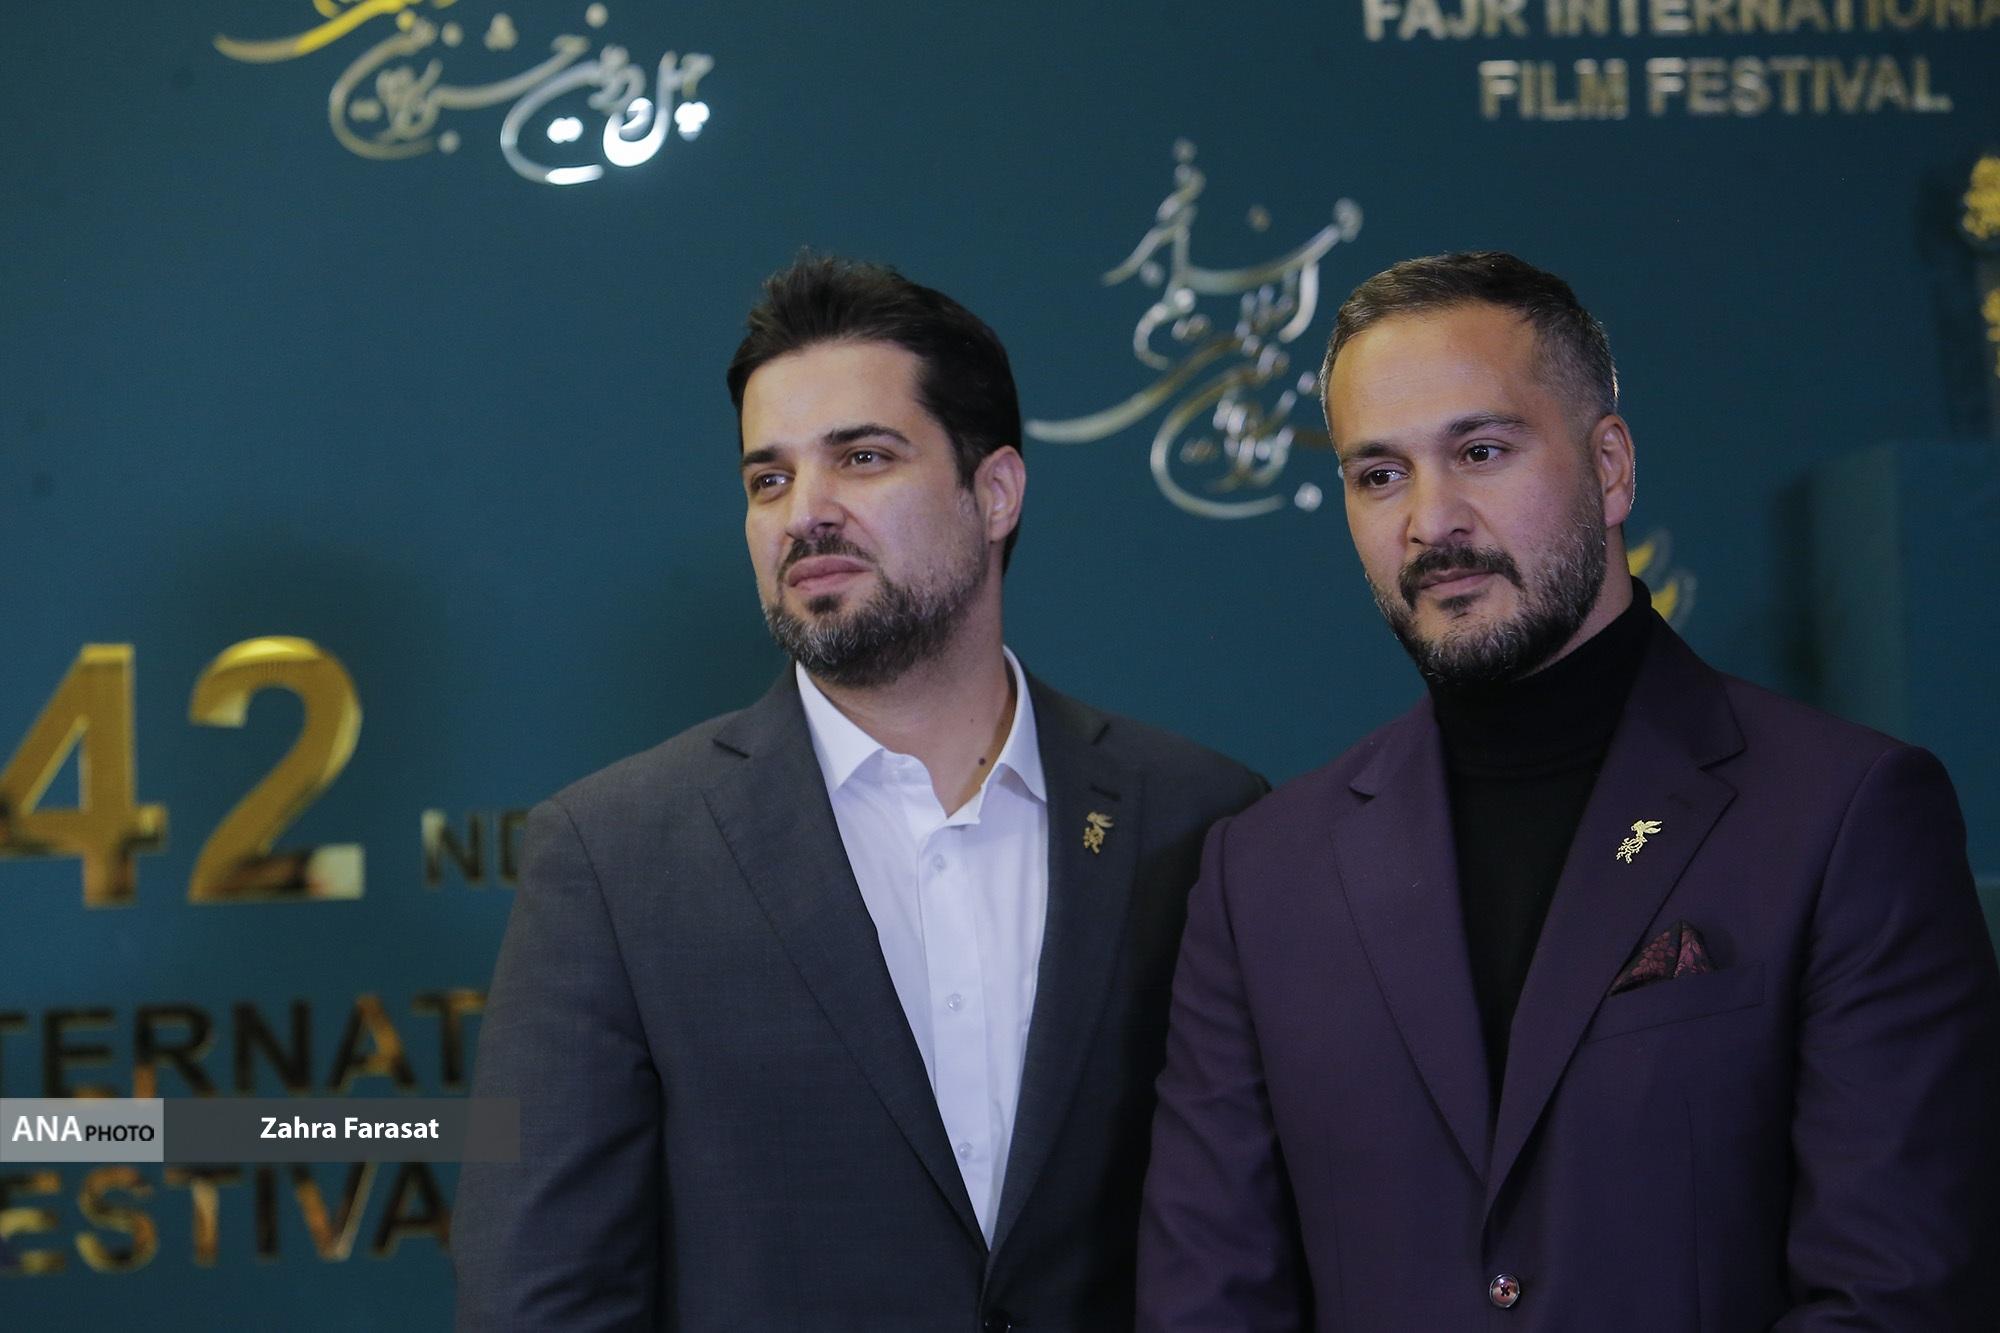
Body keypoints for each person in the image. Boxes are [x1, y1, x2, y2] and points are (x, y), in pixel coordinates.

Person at [1136, 251, 2000, 1330]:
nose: (1431, 521)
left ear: (1611, 466)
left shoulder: (1844, 815)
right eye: (1379, 474)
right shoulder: (1263, 870)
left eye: (1481, 451)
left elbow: (1897, 1294)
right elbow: (1209, 1301)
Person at [453, 254, 1265, 1331]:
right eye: (768, 480)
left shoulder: (1200, 818)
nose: (807, 514)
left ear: (995, 492)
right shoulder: (616, 856)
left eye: (863, 458)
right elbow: (542, 1295)